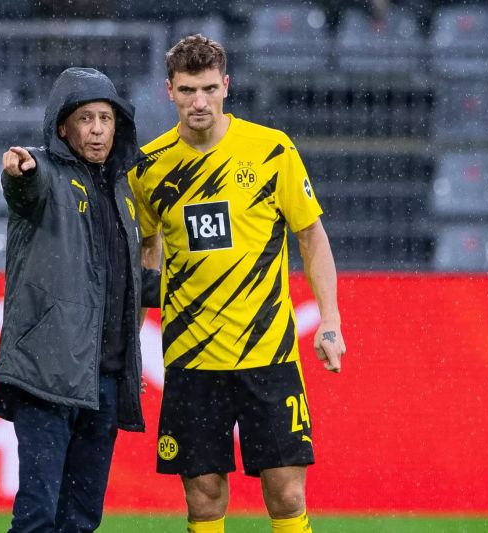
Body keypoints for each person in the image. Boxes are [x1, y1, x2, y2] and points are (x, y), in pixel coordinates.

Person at [128, 35, 347, 533]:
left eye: (208, 88)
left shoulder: (271, 150)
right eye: (187, 90)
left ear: (226, 86)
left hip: (268, 354)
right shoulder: (147, 168)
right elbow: (147, 255)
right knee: (204, 501)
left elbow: (311, 237)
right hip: (191, 359)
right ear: (170, 91)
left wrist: (330, 321)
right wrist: (131, 344)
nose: (199, 101)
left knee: (287, 495)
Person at [0, 66, 159, 533]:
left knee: (81, 520)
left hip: (103, 379)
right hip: (47, 377)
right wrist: (18, 172)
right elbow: (24, 185)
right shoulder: (44, 173)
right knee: (38, 516)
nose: (98, 130)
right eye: (86, 119)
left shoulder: (123, 190)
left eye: (105, 118)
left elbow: (119, 282)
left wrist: (184, 286)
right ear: (62, 127)